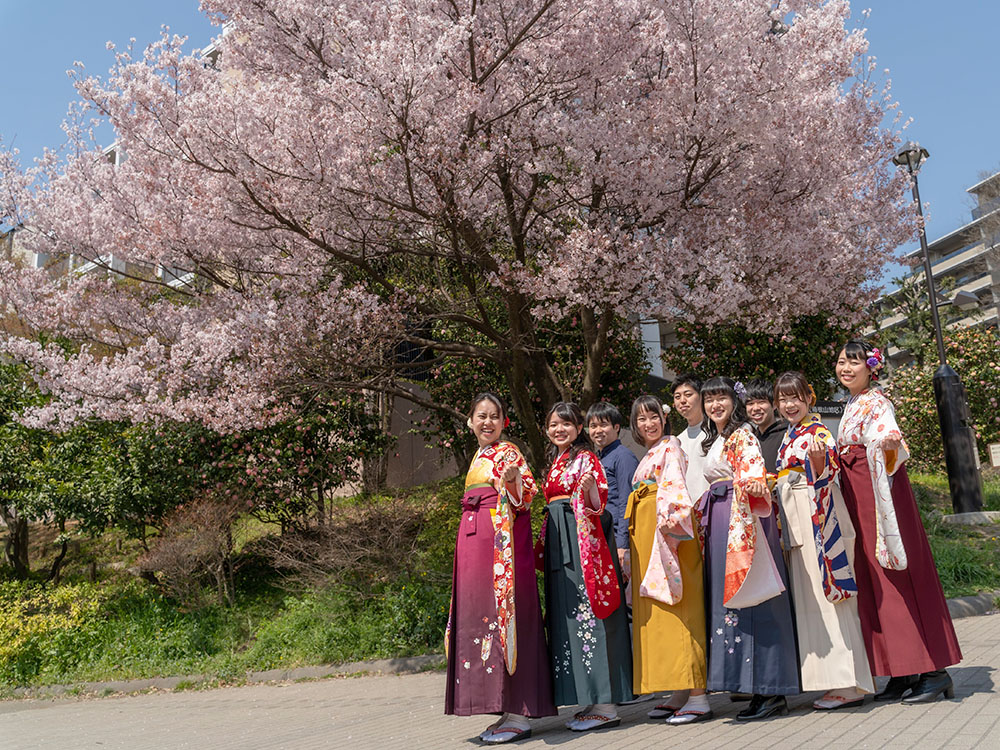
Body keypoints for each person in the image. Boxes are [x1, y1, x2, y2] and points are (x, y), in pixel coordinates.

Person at [834, 341, 962, 703]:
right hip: (860, 491)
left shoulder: (877, 401)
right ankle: (902, 669)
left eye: (854, 362)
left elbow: (888, 437)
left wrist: (887, 441)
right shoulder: (853, 404)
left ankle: (935, 670)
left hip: (880, 494)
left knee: (896, 574)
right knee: (875, 577)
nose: (846, 368)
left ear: (870, 368)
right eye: (842, 362)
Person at [444, 392, 556, 745]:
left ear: (503, 421)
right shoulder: (479, 454)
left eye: (494, 416)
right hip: (475, 542)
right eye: (481, 416)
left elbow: (526, 495)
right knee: (481, 616)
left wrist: (511, 481)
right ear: (470, 421)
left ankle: (520, 712)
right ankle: (503, 708)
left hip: (500, 547)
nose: (487, 422)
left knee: (508, 613)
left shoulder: (509, 453)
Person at [696, 377, 800, 721]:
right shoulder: (717, 438)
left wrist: (752, 485)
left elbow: (754, 476)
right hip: (721, 520)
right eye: (709, 399)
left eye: (721, 397)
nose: (715, 405)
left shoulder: (743, 435)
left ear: (733, 401)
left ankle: (770, 689)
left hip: (743, 521)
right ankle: (749, 685)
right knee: (731, 604)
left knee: (755, 599)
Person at [773, 371, 874, 710]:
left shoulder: (818, 432)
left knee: (830, 594)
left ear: (809, 398)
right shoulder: (791, 435)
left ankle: (850, 682)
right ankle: (832, 680)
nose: (789, 404)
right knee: (811, 600)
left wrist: (817, 461)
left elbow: (829, 471)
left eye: (795, 397)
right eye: (783, 399)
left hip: (816, 516)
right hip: (795, 515)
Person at [540, 402, 633, 731]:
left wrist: (590, 490)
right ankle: (591, 699)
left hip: (583, 547)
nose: (559, 430)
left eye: (566, 424)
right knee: (572, 622)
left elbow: (600, 501)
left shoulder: (586, 459)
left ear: (579, 429)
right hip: (560, 544)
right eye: (553, 424)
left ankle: (606, 705)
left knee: (591, 618)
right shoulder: (557, 461)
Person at [625, 395, 709, 725]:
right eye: (642, 418)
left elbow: (674, 488)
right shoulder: (647, 454)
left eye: (654, 416)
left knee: (680, 608)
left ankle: (698, 695)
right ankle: (678, 689)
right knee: (660, 612)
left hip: (667, 533)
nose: (649, 423)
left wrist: (670, 527)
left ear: (664, 418)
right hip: (647, 533)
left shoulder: (671, 446)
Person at [587, 402, 640, 571]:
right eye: (593, 426)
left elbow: (627, 500)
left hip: (616, 537)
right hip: (601, 535)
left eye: (604, 425)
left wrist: (622, 544)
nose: (598, 431)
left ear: (616, 427)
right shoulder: (597, 458)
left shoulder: (623, 456)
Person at [672, 374, 710, 501]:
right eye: (677, 397)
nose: (682, 400)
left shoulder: (716, 432)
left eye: (688, 395)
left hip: (713, 507)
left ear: (701, 397)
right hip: (687, 512)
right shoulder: (677, 441)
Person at [745, 379, 789, 474]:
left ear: (774, 405)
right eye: (750, 403)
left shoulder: (787, 435)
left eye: (761, 402)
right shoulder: (749, 440)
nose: (755, 408)